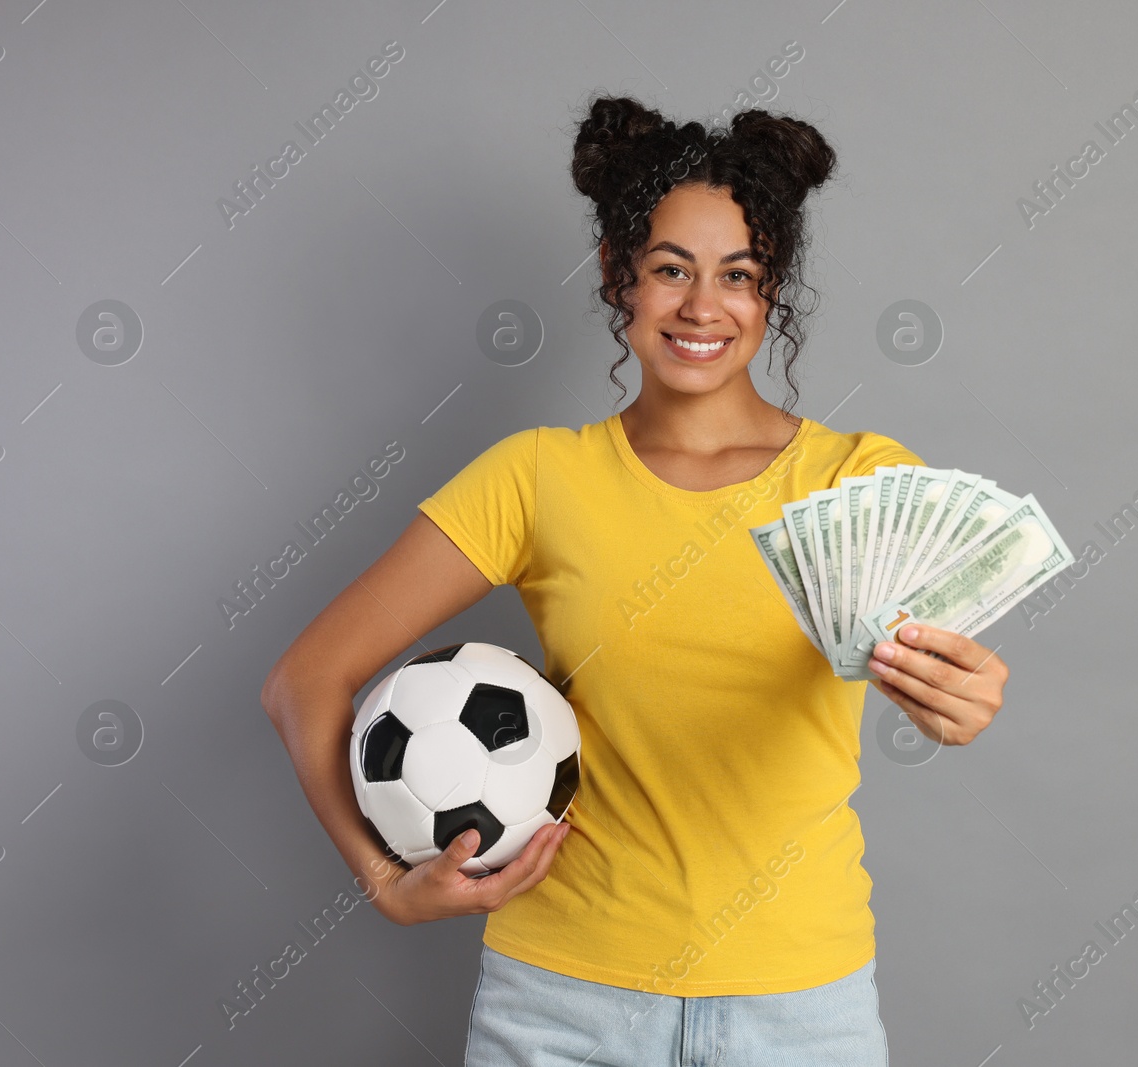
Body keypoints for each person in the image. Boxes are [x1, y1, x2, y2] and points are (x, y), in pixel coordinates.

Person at [260, 94, 1010, 1066]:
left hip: (799, 1008)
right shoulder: (536, 479)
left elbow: (946, 668)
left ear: (770, 290)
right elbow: (303, 681)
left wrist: (965, 702)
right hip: (563, 1005)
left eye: (737, 274)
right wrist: (385, 879)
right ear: (619, 276)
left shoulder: (856, 481)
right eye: (669, 270)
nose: (703, 307)